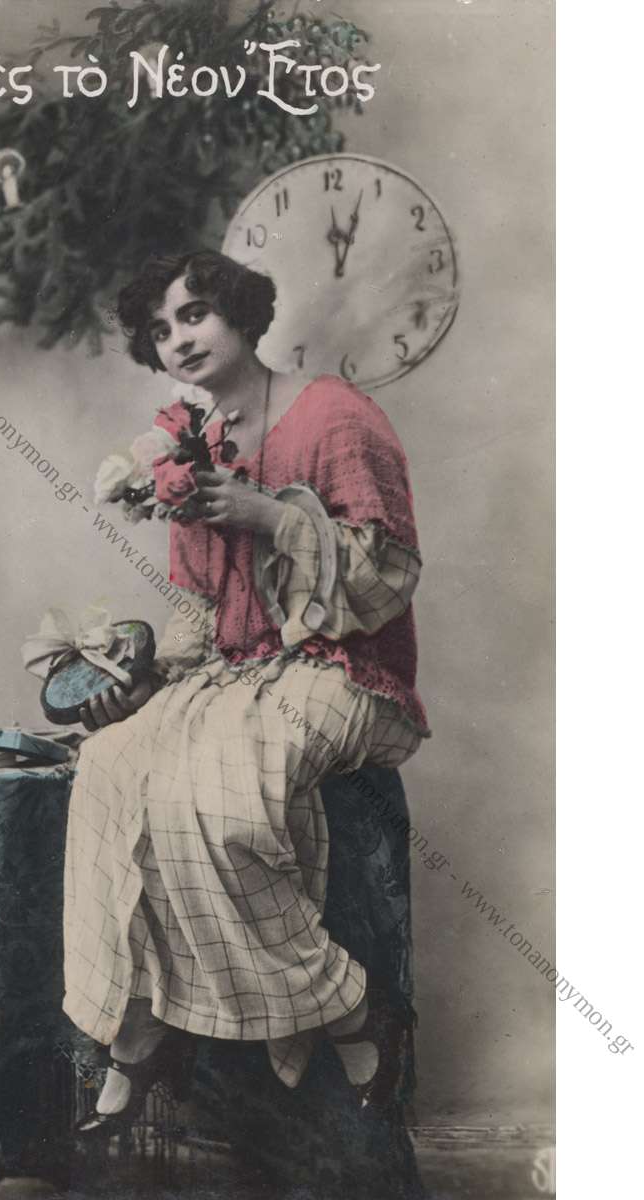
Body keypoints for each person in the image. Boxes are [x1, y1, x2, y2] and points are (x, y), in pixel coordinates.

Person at [63, 249, 430, 1136]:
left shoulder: (334, 415)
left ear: (239, 312)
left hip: (345, 672)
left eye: (193, 314)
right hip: (235, 674)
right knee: (110, 764)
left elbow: (389, 569)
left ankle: (352, 1011)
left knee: (221, 795)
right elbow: (197, 606)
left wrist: (274, 518)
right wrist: (142, 678)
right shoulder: (191, 445)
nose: (179, 339)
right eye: (160, 330)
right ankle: (139, 1023)